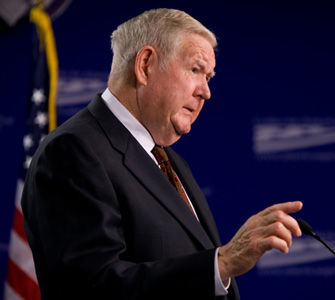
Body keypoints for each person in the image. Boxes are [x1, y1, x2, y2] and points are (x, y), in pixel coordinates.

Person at [21, 8, 303, 300]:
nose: (206, 92)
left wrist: (218, 269)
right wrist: (222, 264)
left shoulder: (170, 162)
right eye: (195, 70)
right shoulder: (72, 151)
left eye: (209, 77)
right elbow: (93, 288)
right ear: (145, 65)